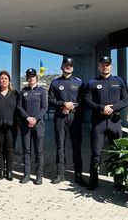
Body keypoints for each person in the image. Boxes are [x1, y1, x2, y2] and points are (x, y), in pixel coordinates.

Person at [85, 55, 128, 190]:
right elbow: (87, 101)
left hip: (115, 122)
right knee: (96, 153)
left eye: (107, 64)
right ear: (98, 66)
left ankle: (118, 182)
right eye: (103, 64)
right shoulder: (92, 82)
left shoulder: (119, 81)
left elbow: (126, 100)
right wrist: (101, 108)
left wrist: (111, 108)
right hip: (98, 123)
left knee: (117, 152)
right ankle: (93, 181)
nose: (105, 66)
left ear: (111, 66)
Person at [48, 57, 86, 186]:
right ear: (62, 66)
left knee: (77, 146)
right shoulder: (55, 83)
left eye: (70, 65)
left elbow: (83, 101)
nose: (68, 67)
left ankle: (78, 175)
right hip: (60, 118)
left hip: (74, 118)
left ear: (73, 67)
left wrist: (73, 106)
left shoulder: (79, 83)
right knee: (60, 146)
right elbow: (50, 100)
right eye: (66, 65)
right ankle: (60, 174)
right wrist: (63, 104)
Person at [18, 68, 47, 185]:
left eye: (33, 76)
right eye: (29, 76)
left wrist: (35, 118)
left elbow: (44, 107)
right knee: (26, 150)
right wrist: (27, 118)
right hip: (26, 125)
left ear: (36, 77)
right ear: (27, 78)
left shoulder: (42, 91)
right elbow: (19, 107)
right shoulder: (23, 92)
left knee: (39, 151)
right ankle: (27, 174)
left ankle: (39, 176)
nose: (31, 78)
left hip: (38, 125)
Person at [0, 70, 19, 181]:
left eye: (5, 79)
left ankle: (9, 171)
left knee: (10, 149)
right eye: (1, 79)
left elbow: (19, 110)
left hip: (11, 126)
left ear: (9, 81)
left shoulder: (15, 94)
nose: (3, 81)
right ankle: (1, 171)